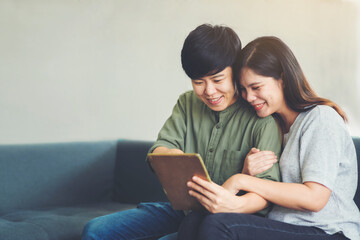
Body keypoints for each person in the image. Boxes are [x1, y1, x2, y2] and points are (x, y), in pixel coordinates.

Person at [81, 25, 282, 240]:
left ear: (236, 71)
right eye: (198, 82)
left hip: (226, 220)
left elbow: (265, 196)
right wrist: (173, 158)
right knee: (95, 230)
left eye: (217, 80)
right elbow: (159, 149)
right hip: (182, 211)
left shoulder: (261, 120)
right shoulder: (187, 102)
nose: (209, 91)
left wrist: (235, 201)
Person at [182, 36, 360, 240]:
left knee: (219, 226)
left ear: (282, 79)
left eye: (256, 87)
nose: (248, 97)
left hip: (328, 231)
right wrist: (247, 171)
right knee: (194, 220)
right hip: (280, 227)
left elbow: (315, 198)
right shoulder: (273, 126)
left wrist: (241, 180)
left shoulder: (320, 118)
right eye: (243, 89)